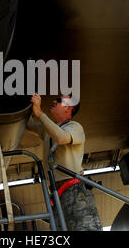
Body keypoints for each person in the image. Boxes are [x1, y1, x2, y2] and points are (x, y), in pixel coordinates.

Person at [26, 93, 102, 231]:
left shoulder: (75, 127)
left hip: (74, 190)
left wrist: (39, 112)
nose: (54, 101)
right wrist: (28, 106)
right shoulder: (49, 130)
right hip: (56, 194)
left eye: (60, 100)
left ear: (69, 108)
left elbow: (61, 137)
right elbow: (28, 124)